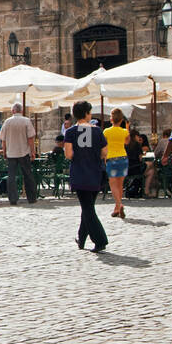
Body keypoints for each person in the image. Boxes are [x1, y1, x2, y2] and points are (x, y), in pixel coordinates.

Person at [64, 101, 109, 252]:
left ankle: (100, 239)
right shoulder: (98, 131)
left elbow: (69, 154)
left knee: (88, 208)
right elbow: (104, 153)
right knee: (88, 207)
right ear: (86, 113)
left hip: (79, 172)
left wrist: (81, 155)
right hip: (95, 173)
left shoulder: (70, 132)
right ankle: (81, 239)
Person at [0, 102, 38, 205]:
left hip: (11, 152)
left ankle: (13, 198)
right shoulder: (26, 121)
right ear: (22, 110)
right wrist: (33, 151)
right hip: (23, 151)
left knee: (11, 176)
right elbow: (30, 138)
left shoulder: (7, 122)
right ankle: (32, 197)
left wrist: (4, 150)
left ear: (12, 111)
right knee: (28, 175)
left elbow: (3, 139)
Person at [103, 109, 130, 218]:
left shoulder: (106, 131)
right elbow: (127, 142)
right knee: (120, 184)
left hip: (111, 158)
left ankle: (119, 204)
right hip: (123, 158)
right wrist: (127, 127)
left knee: (113, 184)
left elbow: (104, 146)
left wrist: (104, 157)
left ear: (111, 119)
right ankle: (117, 207)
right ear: (121, 120)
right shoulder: (124, 131)